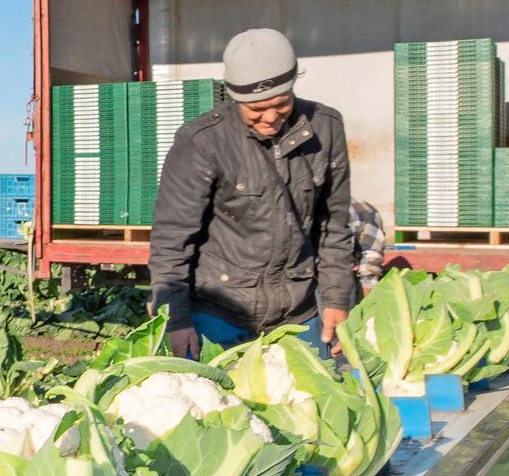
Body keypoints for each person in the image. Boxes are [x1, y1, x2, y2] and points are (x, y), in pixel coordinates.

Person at [147, 28, 355, 359]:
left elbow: (334, 226)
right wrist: (175, 318)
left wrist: (336, 298)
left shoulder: (326, 128)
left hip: (299, 312)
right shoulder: (202, 141)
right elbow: (172, 239)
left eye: (281, 104)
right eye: (256, 109)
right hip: (218, 312)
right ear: (235, 97)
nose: (271, 117)